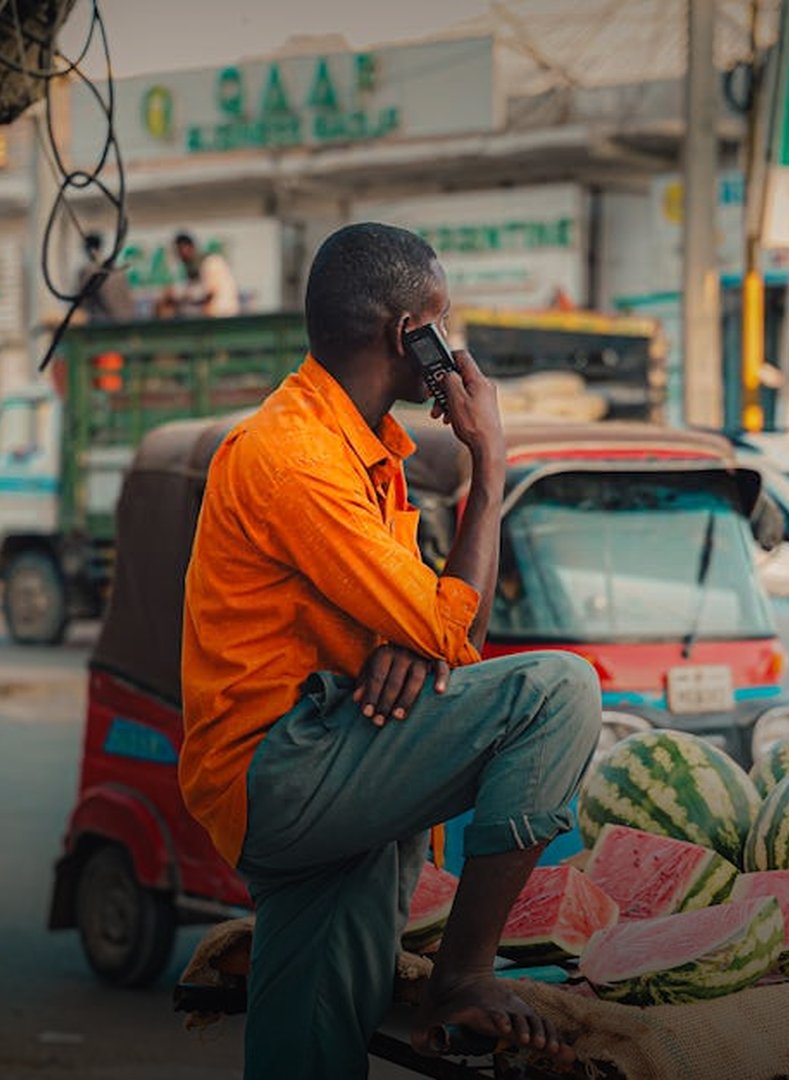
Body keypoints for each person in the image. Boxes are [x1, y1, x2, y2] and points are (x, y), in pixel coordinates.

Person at [179, 223, 597, 1078]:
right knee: (559, 693)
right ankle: (464, 976)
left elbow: (446, 635)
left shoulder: (363, 454)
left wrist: (415, 632)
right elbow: (451, 629)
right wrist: (490, 464)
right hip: (284, 766)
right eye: (444, 322)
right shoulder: (296, 459)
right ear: (408, 333)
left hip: (329, 755)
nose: (456, 345)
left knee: (311, 1047)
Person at [162, 231, 241, 316]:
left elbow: (209, 294)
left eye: (180, 250)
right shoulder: (193, 267)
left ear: (188, 248)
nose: (179, 256)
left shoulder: (211, 262)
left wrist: (181, 299)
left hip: (223, 315)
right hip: (212, 316)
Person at [75, 232, 134, 322]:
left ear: (86, 249)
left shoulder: (87, 271)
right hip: (128, 320)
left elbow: (81, 302)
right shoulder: (117, 269)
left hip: (105, 324)